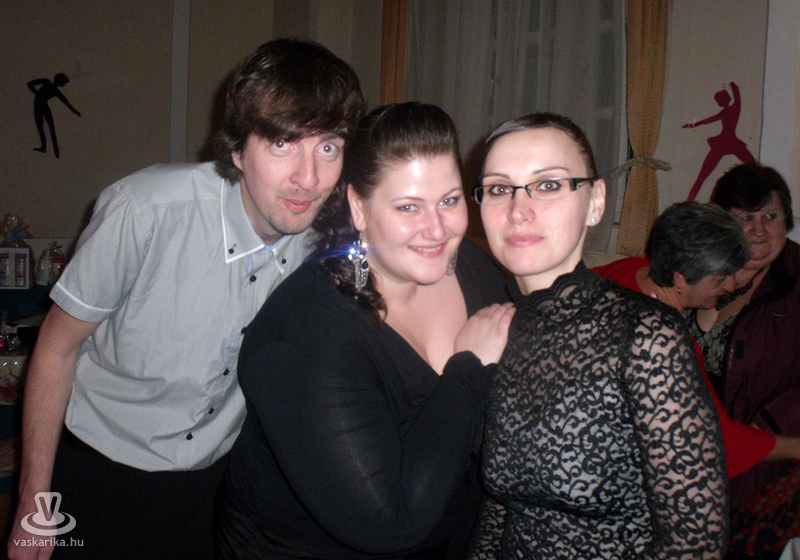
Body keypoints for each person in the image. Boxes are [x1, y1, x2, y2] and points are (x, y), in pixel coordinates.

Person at [8, 39, 366, 560]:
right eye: (282, 143)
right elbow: (56, 349)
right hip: (99, 476)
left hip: (216, 490)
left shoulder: (323, 241)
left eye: (328, 147)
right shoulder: (145, 211)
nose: (308, 179)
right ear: (237, 150)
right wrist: (33, 503)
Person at [219, 102, 515, 560]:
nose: (436, 229)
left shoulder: (473, 270)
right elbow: (389, 522)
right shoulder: (309, 332)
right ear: (358, 207)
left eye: (449, 200)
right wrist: (469, 369)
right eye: (408, 207)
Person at [468, 113, 728, 559]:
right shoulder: (496, 331)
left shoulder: (646, 338)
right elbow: (501, 507)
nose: (517, 209)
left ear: (595, 201)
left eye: (548, 184)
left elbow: (696, 544)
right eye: (498, 188)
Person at [596, 201, 800, 481]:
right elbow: (717, 442)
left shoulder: (627, 269)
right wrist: (795, 447)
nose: (730, 286)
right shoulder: (669, 346)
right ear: (680, 278)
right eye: (719, 279)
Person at [686, 163, 800, 558]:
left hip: (766, 471)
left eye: (771, 216)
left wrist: (760, 433)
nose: (759, 230)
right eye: (744, 217)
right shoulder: (694, 270)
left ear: (787, 221)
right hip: (684, 466)